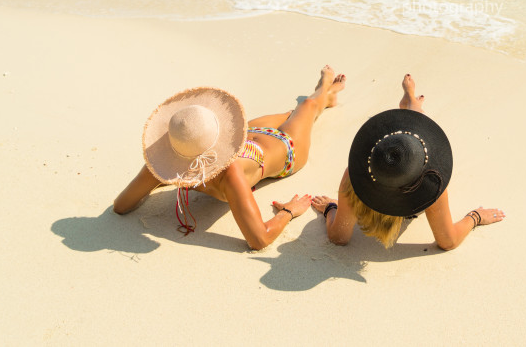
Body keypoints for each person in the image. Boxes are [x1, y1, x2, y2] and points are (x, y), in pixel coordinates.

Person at [114, 65, 345, 250]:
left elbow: (122, 205)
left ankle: (325, 93)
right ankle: (326, 91)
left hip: (251, 134)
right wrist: (289, 212)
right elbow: (259, 240)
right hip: (286, 147)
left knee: (298, 111)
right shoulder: (230, 174)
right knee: (307, 106)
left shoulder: (166, 164)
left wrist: (157, 179)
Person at [310, 74, 503, 251]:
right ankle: (412, 105)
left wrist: (332, 208)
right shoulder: (431, 182)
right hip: (415, 182)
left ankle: (411, 103)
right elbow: (448, 241)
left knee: (407, 146)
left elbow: (339, 236)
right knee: (414, 141)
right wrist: (475, 217)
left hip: (391, 175)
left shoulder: (355, 177)